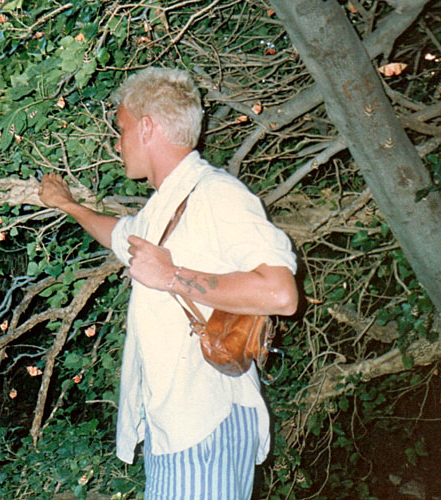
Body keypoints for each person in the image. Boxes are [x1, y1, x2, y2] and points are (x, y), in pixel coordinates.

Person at [38, 67, 298, 500]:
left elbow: (280, 293)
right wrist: (69, 205)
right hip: (175, 427)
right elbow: (121, 236)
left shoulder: (216, 194)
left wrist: (173, 276)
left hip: (206, 421)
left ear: (146, 127)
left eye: (120, 129)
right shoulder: (164, 207)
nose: (117, 143)